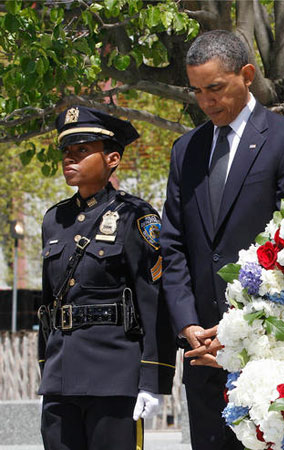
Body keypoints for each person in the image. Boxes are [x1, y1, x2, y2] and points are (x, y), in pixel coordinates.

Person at [160, 30, 284, 449]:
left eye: (215, 88)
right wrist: (188, 323)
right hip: (203, 351)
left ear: (246, 75)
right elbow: (173, 243)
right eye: (197, 91)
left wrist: (236, 330)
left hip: (268, 346)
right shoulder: (185, 150)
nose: (207, 102)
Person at [38, 106, 176, 449]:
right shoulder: (54, 220)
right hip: (60, 377)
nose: (70, 158)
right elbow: (47, 304)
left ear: (112, 158)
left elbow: (154, 300)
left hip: (115, 377)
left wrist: (152, 378)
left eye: (81, 150)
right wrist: (46, 371)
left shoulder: (135, 215)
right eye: (66, 152)